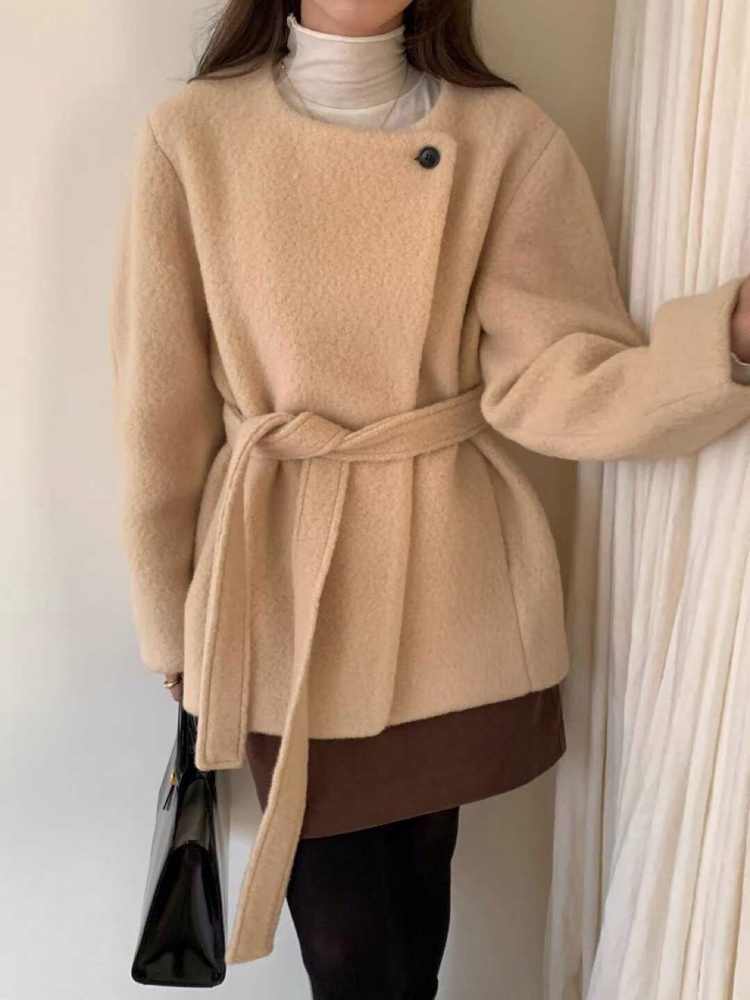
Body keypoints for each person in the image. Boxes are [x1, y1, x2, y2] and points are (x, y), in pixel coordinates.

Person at [110, 1, 750, 996]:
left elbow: (556, 375)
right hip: (282, 597)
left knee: (409, 933)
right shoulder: (193, 136)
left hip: (446, 594)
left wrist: (726, 344)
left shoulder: (505, 138)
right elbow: (160, 414)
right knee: (352, 952)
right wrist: (172, 626)